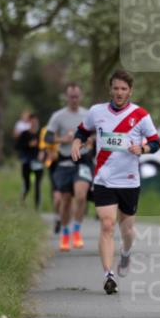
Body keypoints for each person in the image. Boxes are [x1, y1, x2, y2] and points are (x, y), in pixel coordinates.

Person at [71, 70, 160, 294]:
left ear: (130, 91)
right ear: (110, 89)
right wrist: (76, 143)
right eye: (116, 88)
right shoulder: (97, 111)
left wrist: (143, 148)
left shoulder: (140, 115)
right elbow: (82, 131)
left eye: (124, 89)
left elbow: (156, 143)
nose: (119, 92)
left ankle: (126, 253)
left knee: (127, 230)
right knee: (107, 224)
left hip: (129, 180)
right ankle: (108, 275)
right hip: (103, 178)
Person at [44, 84, 92, 252]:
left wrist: (88, 140)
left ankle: (76, 231)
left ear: (81, 96)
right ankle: (65, 234)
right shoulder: (58, 116)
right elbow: (48, 137)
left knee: (80, 195)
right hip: (64, 161)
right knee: (65, 200)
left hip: (83, 161)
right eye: (71, 96)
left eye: (76, 96)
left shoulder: (87, 114)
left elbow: (95, 133)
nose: (74, 100)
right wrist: (62, 139)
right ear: (66, 97)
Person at [39, 122, 62, 233]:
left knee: (69, 197)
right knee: (57, 196)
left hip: (71, 165)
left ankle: (67, 221)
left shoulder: (73, 128)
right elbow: (44, 149)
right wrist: (48, 155)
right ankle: (58, 218)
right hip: (55, 165)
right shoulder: (46, 130)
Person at [16, 113, 43, 209]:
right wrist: (28, 144)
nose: (34, 123)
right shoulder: (24, 134)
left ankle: (37, 206)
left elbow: (45, 147)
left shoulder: (41, 134)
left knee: (38, 185)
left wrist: (43, 154)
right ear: (29, 122)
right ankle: (22, 200)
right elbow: (17, 146)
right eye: (32, 121)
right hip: (27, 162)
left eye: (36, 121)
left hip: (38, 163)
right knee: (27, 184)